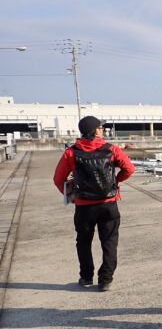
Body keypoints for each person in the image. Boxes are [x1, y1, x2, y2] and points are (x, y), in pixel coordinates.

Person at [53, 116, 135, 291]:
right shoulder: (112, 149)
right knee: (109, 241)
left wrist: (72, 196)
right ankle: (105, 279)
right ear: (95, 131)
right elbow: (129, 169)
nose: (103, 130)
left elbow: (58, 179)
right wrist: (117, 182)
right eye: (101, 127)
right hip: (109, 203)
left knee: (83, 241)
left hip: (84, 205)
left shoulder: (71, 152)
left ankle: (86, 277)